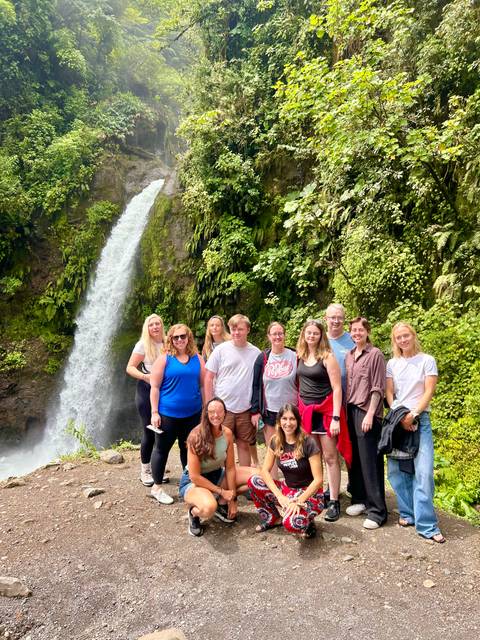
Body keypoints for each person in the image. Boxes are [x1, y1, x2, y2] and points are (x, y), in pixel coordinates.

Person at [385, 322, 445, 543]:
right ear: (395, 340)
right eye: (398, 337)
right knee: (396, 471)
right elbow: (389, 393)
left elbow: (429, 390)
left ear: (413, 335)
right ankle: (408, 513)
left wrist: (414, 414)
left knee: (423, 472)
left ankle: (427, 525)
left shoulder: (427, 360)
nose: (403, 340)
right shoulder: (391, 363)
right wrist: (400, 416)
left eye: (406, 335)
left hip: (421, 420)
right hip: (397, 421)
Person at [296, 319, 351, 523]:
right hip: (307, 413)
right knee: (312, 457)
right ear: (304, 335)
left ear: (321, 336)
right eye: (308, 333)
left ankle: (334, 500)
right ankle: (316, 495)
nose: (311, 336)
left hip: (326, 412)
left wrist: (336, 417)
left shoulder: (327, 357)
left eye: (315, 333)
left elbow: (337, 388)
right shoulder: (300, 355)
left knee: (330, 457)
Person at [179, 397, 253, 537]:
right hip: (193, 482)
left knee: (257, 476)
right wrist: (222, 491)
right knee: (208, 508)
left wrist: (233, 500)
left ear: (225, 413)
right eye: (211, 412)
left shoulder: (227, 434)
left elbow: (230, 468)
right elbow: (194, 476)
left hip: (217, 475)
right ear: (206, 413)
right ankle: (194, 512)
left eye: (219, 411)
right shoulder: (195, 436)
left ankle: (221, 503)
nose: (216, 415)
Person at [248, 404, 323, 538]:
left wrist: (298, 501)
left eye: (292, 419)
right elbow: (264, 471)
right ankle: (273, 518)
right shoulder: (275, 441)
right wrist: (280, 496)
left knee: (292, 524)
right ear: (279, 421)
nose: (288, 423)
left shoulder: (308, 442)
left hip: (309, 494)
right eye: (284, 419)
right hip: (287, 491)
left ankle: (308, 522)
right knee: (254, 481)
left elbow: (318, 480)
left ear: (298, 421)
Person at [149, 324, 205, 505]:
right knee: (161, 449)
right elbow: (155, 387)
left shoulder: (197, 358)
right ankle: (156, 487)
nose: (180, 340)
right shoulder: (164, 359)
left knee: (188, 449)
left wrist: (206, 409)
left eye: (183, 336)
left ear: (188, 337)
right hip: (168, 414)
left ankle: (188, 483)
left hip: (193, 414)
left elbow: (203, 385)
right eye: (176, 337)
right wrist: (155, 412)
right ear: (170, 340)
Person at [345, 317, 387, 529]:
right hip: (350, 410)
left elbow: (378, 387)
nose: (357, 333)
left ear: (367, 331)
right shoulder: (349, 355)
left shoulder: (376, 354)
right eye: (353, 330)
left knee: (371, 461)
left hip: (366, 411)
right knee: (356, 459)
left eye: (360, 330)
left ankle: (378, 511)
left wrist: (371, 414)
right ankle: (360, 499)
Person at [205, 314, 260, 466]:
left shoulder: (256, 353)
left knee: (244, 444)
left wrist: (257, 409)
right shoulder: (221, 350)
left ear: (248, 330)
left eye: (240, 329)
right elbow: (208, 377)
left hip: (245, 408)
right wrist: (209, 405)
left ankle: (245, 481)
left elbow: (259, 383)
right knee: (222, 446)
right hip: (223, 408)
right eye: (233, 329)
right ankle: (224, 481)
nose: (236, 332)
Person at [251, 321, 297, 478]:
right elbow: (256, 385)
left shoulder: (295, 355)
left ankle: (295, 482)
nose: (277, 336)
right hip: (270, 410)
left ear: (284, 335)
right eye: (274, 334)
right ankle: (274, 486)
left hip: (292, 411)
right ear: (269, 336)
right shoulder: (263, 358)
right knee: (274, 448)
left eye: (280, 333)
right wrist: (255, 411)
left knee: (295, 448)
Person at [126, 313, 165, 486]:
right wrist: (145, 377)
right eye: (151, 324)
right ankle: (145, 470)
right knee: (149, 431)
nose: (155, 327)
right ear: (147, 328)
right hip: (146, 389)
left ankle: (157, 469)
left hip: (165, 390)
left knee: (163, 431)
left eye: (157, 324)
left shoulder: (168, 342)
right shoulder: (142, 345)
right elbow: (130, 367)